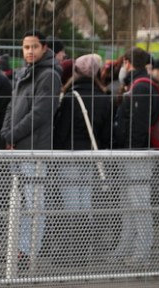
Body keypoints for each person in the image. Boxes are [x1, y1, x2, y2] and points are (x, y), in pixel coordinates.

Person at [0, 30, 62, 270]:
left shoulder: (48, 75)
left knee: (34, 203)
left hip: (34, 148)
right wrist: (7, 133)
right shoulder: (25, 73)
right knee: (22, 203)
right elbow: (11, 107)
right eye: (26, 47)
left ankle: (27, 251)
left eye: (34, 47)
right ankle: (19, 248)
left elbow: (40, 112)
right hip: (17, 146)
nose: (29, 51)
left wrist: (13, 134)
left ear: (44, 48)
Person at [53, 53, 114, 266]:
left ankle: (70, 253)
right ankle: (83, 250)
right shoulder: (104, 97)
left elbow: (61, 130)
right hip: (91, 155)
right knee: (85, 202)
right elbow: (106, 134)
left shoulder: (70, 97)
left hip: (69, 155)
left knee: (70, 204)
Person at [110, 47, 159, 267]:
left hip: (137, 155)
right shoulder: (139, 85)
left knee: (139, 204)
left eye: (123, 63)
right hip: (132, 153)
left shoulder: (141, 88)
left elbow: (139, 126)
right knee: (128, 204)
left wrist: (132, 150)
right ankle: (124, 248)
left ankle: (141, 252)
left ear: (129, 63)